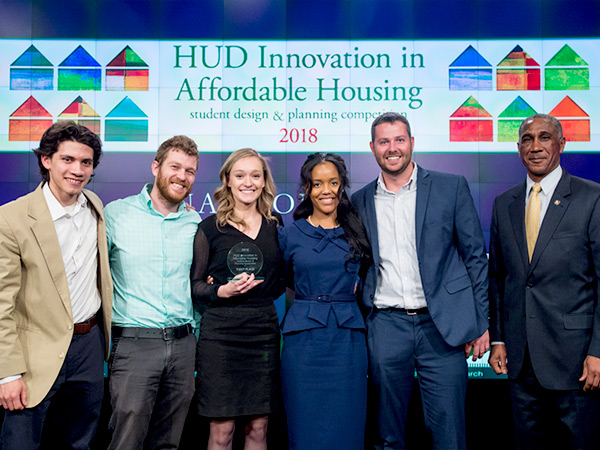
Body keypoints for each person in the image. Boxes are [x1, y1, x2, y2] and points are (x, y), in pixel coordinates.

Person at [352, 112, 489, 449]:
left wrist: (481, 322)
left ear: (412, 143)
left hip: (441, 328)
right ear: (372, 148)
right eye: (384, 142)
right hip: (386, 326)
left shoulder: (450, 186)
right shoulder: (358, 202)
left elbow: (475, 256)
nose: (392, 148)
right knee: (388, 433)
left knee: (449, 432)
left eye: (399, 140)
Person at [488, 113, 600, 450]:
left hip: (576, 362)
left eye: (544, 137)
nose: (535, 146)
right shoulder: (502, 204)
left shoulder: (591, 198)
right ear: (518, 149)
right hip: (521, 363)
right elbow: (499, 278)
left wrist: (598, 351)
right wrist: (498, 340)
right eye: (527, 139)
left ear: (562, 144)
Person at [0, 121, 112, 449]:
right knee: (21, 443)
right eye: (67, 159)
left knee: (79, 443)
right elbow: (2, 302)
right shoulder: (12, 218)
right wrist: (7, 373)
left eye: (86, 162)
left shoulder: (96, 207)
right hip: (35, 350)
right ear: (46, 160)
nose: (77, 170)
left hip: (88, 347)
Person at [104, 135, 200, 450]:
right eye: (175, 167)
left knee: (169, 443)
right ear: (155, 167)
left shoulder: (195, 222)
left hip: (184, 345)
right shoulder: (116, 215)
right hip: (133, 345)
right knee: (126, 441)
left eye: (190, 171)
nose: (182, 176)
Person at [191, 148, 283, 450]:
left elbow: (281, 282)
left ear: (264, 181)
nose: (248, 182)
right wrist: (221, 291)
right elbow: (194, 286)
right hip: (220, 336)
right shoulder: (209, 228)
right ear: (227, 181)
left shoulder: (276, 225)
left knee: (258, 428)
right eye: (240, 175)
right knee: (223, 431)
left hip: (262, 334)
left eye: (255, 175)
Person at [278, 153, 371, 450]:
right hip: (303, 346)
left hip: (347, 342)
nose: (326, 190)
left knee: (348, 428)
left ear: (342, 185)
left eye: (333, 182)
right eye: (317, 184)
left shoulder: (358, 231)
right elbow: (282, 280)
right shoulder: (290, 234)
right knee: (305, 429)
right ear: (307, 188)